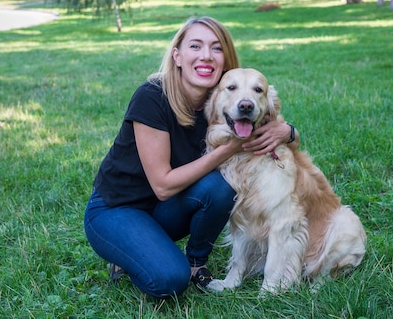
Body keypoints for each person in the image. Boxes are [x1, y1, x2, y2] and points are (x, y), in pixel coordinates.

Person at [84, 16, 299, 298]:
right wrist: (230, 148)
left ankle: (197, 262)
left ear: (226, 59)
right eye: (195, 46)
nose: (206, 56)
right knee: (170, 280)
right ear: (177, 56)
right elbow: (162, 185)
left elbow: (270, 122)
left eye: (216, 48)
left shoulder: (224, 98)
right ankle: (126, 252)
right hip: (117, 209)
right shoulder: (151, 97)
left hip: (167, 209)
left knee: (222, 186)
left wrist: (288, 131)